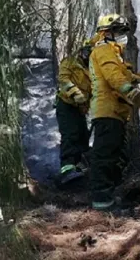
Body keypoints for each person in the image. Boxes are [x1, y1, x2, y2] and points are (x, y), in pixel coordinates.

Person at [88, 13, 140, 211]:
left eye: (122, 32)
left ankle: (108, 197)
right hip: (106, 109)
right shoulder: (103, 51)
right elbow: (114, 79)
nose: (121, 36)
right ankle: (101, 201)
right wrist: (138, 97)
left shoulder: (112, 53)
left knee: (113, 154)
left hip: (116, 111)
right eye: (117, 32)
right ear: (106, 32)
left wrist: (136, 78)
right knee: (105, 156)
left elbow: (122, 75)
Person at [55, 42, 93, 185]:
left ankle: (79, 168)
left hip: (80, 108)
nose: (88, 54)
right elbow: (63, 79)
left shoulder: (91, 69)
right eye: (86, 51)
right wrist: (75, 93)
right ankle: (67, 169)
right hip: (66, 105)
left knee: (83, 136)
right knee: (70, 135)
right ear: (81, 51)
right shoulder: (69, 62)